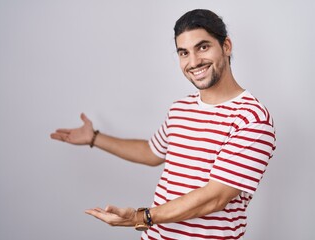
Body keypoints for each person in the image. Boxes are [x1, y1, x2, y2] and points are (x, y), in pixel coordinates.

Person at [50, 9, 276, 240]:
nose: (194, 61)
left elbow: (216, 197)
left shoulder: (252, 118)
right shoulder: (181, 108)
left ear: (226, 46)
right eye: (184, 53)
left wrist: (141, 217)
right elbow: (151, 152)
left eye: (203, 47)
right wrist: (94, 138)